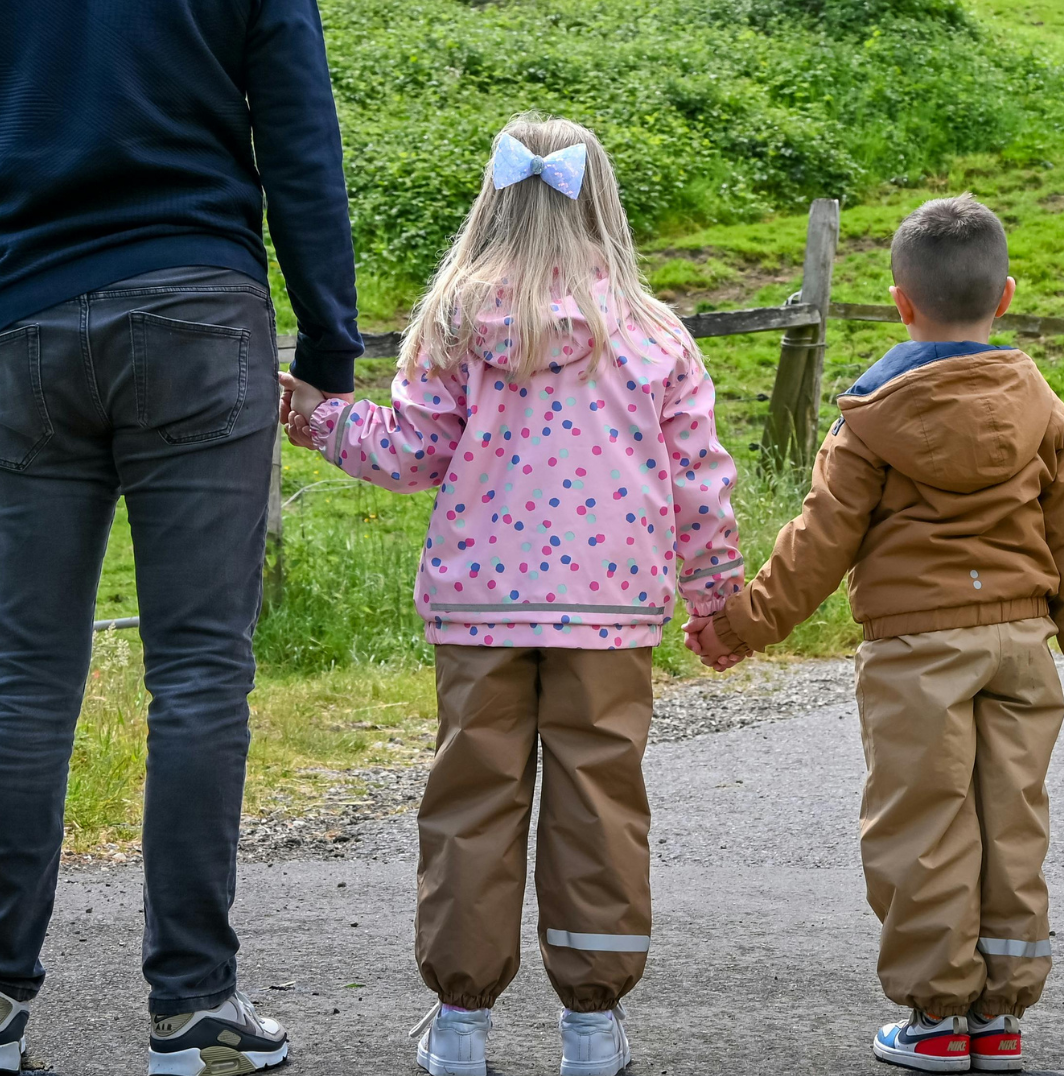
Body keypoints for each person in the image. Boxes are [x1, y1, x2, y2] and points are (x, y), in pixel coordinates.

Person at [0, 0, 360, 1071]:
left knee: (26, 675)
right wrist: (328, 351)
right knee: (201, 673)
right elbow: (299, 151)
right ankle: (188, 1006)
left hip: (28, 324)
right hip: (196, 323)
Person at [281, 115, 744, 1076]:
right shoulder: (657, 336)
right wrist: (716, 596)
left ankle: (459, 1024)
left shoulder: (456, 320)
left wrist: (320, 418)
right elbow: (699, 478)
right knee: (601, 801)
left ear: (494, 202)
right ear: (602, 203)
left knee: (470, 800)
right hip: (611, 612)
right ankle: (591, 1026)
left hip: (480, 608)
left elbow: (409, 451)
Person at [684, 193, 1064, 1074]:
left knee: (922, 825)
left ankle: (938, 1012)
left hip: (915, 651)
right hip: (1019, 645)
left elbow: (816, 546)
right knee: (1013, 821)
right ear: (1003, 298)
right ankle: (1001, 1015)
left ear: (900, 302)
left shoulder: (871, 421)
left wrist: (741, 623)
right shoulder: (1042, 409)